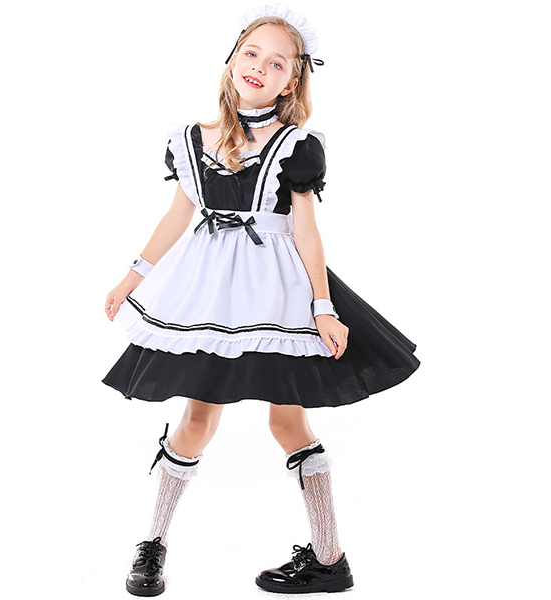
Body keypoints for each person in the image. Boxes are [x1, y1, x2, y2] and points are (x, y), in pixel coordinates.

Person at [102, 3, 420, 596]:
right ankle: (153, 545)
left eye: (277, 63)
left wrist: (323, 307)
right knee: (197, 418)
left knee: (287, 420)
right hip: (210, 296)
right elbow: (178, 215)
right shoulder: (191, 140)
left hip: (276, 294)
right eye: (252, 54)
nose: (260, 67)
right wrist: (133, 277)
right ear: (231, 60)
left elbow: (306, 232)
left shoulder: (297, 146)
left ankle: (330, 557)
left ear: (292, 81)